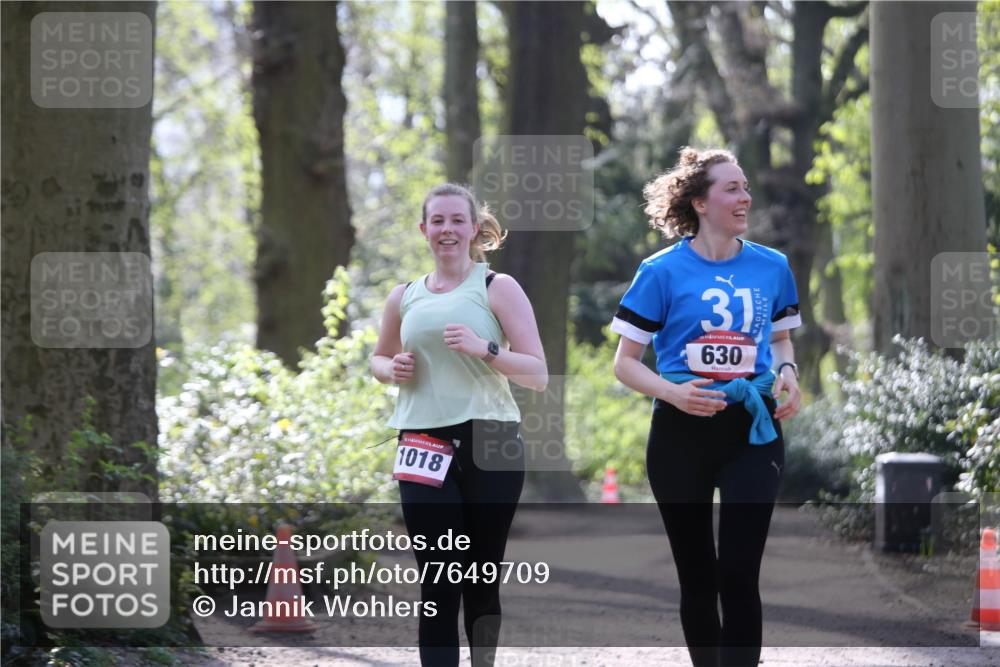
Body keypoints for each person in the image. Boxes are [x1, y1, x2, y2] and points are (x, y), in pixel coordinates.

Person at [610, 147, 802, 667]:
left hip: (752, 429)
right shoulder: (660, 271)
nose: (746, 197)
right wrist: (673, 393)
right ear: (700, 202)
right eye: (732, 189)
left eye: (745, 187)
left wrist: (787, 374)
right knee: (697, 577)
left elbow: (782, 341)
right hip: (680, 432)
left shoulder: (773, 267)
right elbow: (625, 363)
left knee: (739, 573)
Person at [371, 183, 547, 667]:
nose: (447, 230)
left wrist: (484, 348)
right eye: (438, 221)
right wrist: (391, 370)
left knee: (481, 579)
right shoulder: (403, 296)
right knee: (438, 579)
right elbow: (379, 358)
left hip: (492, 441)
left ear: (473, 229)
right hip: (422, 441)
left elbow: (537, 372)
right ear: (424, 229)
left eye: (457, 220)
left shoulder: (497, 287)